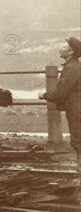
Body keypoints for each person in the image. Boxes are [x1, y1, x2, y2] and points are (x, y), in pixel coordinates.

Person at [39, 37, 81, 176]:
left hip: (77, 110)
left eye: (64, 47)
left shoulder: (71, 68)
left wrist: (44, 95)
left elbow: (60, 93)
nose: (60, 49)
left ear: (71, 52)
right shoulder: (75, 66)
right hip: (76, 109)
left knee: (78, 141)